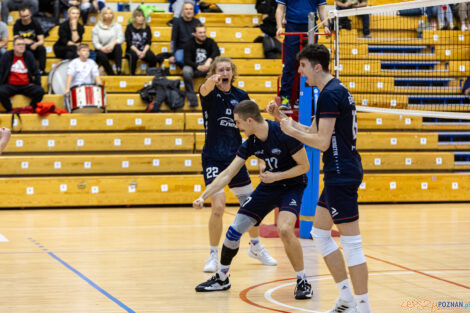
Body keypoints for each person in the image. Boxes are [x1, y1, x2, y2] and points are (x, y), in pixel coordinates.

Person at [267, 44, 372, 313]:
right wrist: (282, 120)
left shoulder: (328, 95)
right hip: (340, 170)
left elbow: (321, 142)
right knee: (319, 233)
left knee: (352, 244)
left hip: (341, 173)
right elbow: (312, 130)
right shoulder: (334, 90)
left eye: (302, 67)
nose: (300, 72)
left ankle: (363, 307)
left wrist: (293, 133)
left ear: (316, 66)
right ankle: (347, 298)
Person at [194, 100, 313, 300]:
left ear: (250, 121)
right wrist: (203, 196)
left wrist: (275, 176)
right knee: (234, 230)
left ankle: (302, 280)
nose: (237, 127)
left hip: (292, 185)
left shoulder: (283, 133)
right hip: (269, 185)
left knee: (284, 229)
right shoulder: (251, 142)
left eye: (238, 123)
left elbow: (305, 167)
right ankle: (222, 278)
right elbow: (227, 174)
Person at [197, 57, 277, 273]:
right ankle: (213, 254)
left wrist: (261, 159)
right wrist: (210, 82)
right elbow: (203, 90)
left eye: (227, 69)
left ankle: (256, 246)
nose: (224, 72)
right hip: (213, 157)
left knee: (250, 206)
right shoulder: (210, 93)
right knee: (219, 207)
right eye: (220, 69)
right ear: (214, 72)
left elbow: (256, 128)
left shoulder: (241, 97)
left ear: (232, 72)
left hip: (236, 158)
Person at [276, 0, 329, 110]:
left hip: (311, 27)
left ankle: (303, 97)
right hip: (291, 27)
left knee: (310, 65)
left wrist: (326, 26)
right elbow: (280, 8)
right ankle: (285, 98)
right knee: (290, 64)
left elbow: (322, 9)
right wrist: (279, 26)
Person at [0, 36, 44, 112]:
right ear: (13, 46)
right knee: (0, 91)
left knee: (40, 91)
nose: (21, 46)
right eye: (19, 44)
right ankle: (10, 110)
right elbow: (1, 71)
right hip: (10, 85)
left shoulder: (29, 55)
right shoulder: (7, 56)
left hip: (26, 85)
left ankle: (30, 108)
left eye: (23, 44)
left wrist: (37, 85)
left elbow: (36, 72)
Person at [183, 23, 220, 107]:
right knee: (186, 71)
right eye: (200, 33)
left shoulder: (210, 41)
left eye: (204, 32)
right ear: (195, 34)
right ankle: (192, 100)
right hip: (195, 69)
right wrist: (197, 66)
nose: (203, 34)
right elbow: (186, 60)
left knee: (220, 67)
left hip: (208, 69)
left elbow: (217, 52)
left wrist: (209, 61)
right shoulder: (189, 43)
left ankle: (216, 96)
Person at [13, 6, 47, 75]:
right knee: (24, 49)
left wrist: (35, 44)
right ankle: (28, 71)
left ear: (30, 14)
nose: (25, 18)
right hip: (23, 46)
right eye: (23, 16)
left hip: (34, 45)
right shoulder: (17, 24)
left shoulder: (36, 23)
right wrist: (25, 41)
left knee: (42, 48)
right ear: (20, 16)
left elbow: (41, 41)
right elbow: (16, 40)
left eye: (27, 16)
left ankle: (42, 70)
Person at [125, 8, 157, 75]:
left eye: (142, 16)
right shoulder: (129, 27)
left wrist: (144, 52)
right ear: (134, 18)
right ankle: (132, 76)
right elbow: (129, 43)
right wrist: (138, 52)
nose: (141, 18)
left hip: (143, 49)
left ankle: (151, 76)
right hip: (132, 49)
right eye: (139, 16)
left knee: (153, 57)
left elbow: (148, 42)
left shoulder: (147, 28)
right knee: (133, 56)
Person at [92, 7, 124, 75]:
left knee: (118, 46)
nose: (109, 15)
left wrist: (113, 43)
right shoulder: (96, 27)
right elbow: (95, 43)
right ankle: (111, 73)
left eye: (110, 13)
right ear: (102, 15)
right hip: (102, 50)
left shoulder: (117, 26)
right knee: (100, 54)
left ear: (113, 15)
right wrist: (103, 49)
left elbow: (121, 38)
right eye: (106, 13)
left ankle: (119, 70)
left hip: (113, 50)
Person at [169, 1, 200, 68]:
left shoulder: (197, 22)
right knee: (179, 58)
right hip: (181, 50)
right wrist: (172, 55)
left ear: (193, 11)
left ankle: (189, 70)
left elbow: (201, 38)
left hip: (194, 49)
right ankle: (191, 69)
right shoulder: (177, 22)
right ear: (182, 11)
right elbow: (173, 40)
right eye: (186, 9)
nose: (189, 11)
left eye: (191, 9)